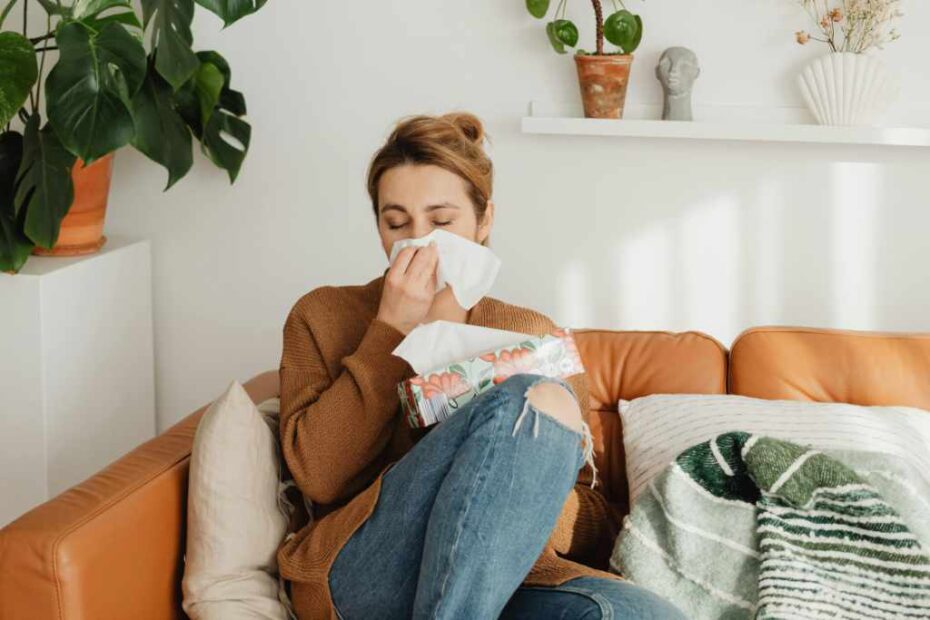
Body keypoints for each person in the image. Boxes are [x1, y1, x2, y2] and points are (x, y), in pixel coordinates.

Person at [276, 111, 686, 619]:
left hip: (507, 577)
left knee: (647, 615)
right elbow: (320, 477)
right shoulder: (321, 314)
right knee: (526, 399)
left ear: (484, 220)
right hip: (364, 571)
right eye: (396, 222)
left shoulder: (534, 335)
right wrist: (390, 330)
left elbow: (592, 517)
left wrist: (511, 472)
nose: (419, 239)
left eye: (442, 222)